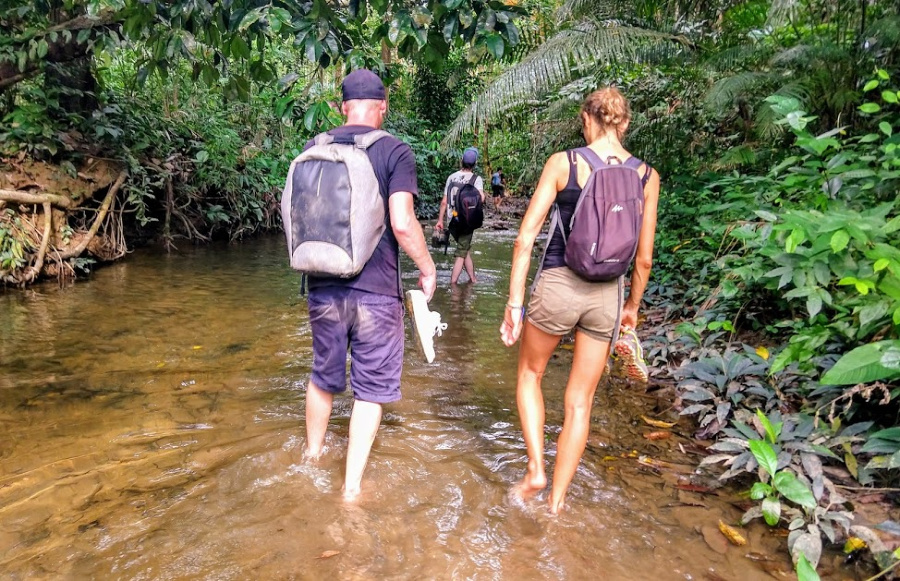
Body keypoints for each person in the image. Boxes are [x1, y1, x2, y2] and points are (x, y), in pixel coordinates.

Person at [499, 87, 660, 514]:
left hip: (558, 285)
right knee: (579, 402)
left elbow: (525, 238)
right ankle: (556, 504)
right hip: (607, 295)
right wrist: (632, 309)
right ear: (623, 124)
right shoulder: (646, 176)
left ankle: (535, 471)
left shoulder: (564, 163)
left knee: (531, 375)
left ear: (586, 119)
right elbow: (643, 258)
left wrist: (515, 302)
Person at [301, 69, 437, 501]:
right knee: (371, 388)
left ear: (342, 106)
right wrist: (428, 266)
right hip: (376, 292)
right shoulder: (394, 151)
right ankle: (351, 488)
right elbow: (401, 222)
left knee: (323, 377)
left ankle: (311, 459)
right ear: (383, 107)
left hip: (321, 286)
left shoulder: (315, 147)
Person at [435, 148, 485, 284]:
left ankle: (472, 279)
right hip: (467, 221)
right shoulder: (476, 179)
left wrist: (440, 220)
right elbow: (481, 198)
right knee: (461, 251)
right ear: (475, 163)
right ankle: (453, 284)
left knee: (464, 248)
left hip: (452, 220)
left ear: (461, 160)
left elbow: (444, 201)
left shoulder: (451, 177)